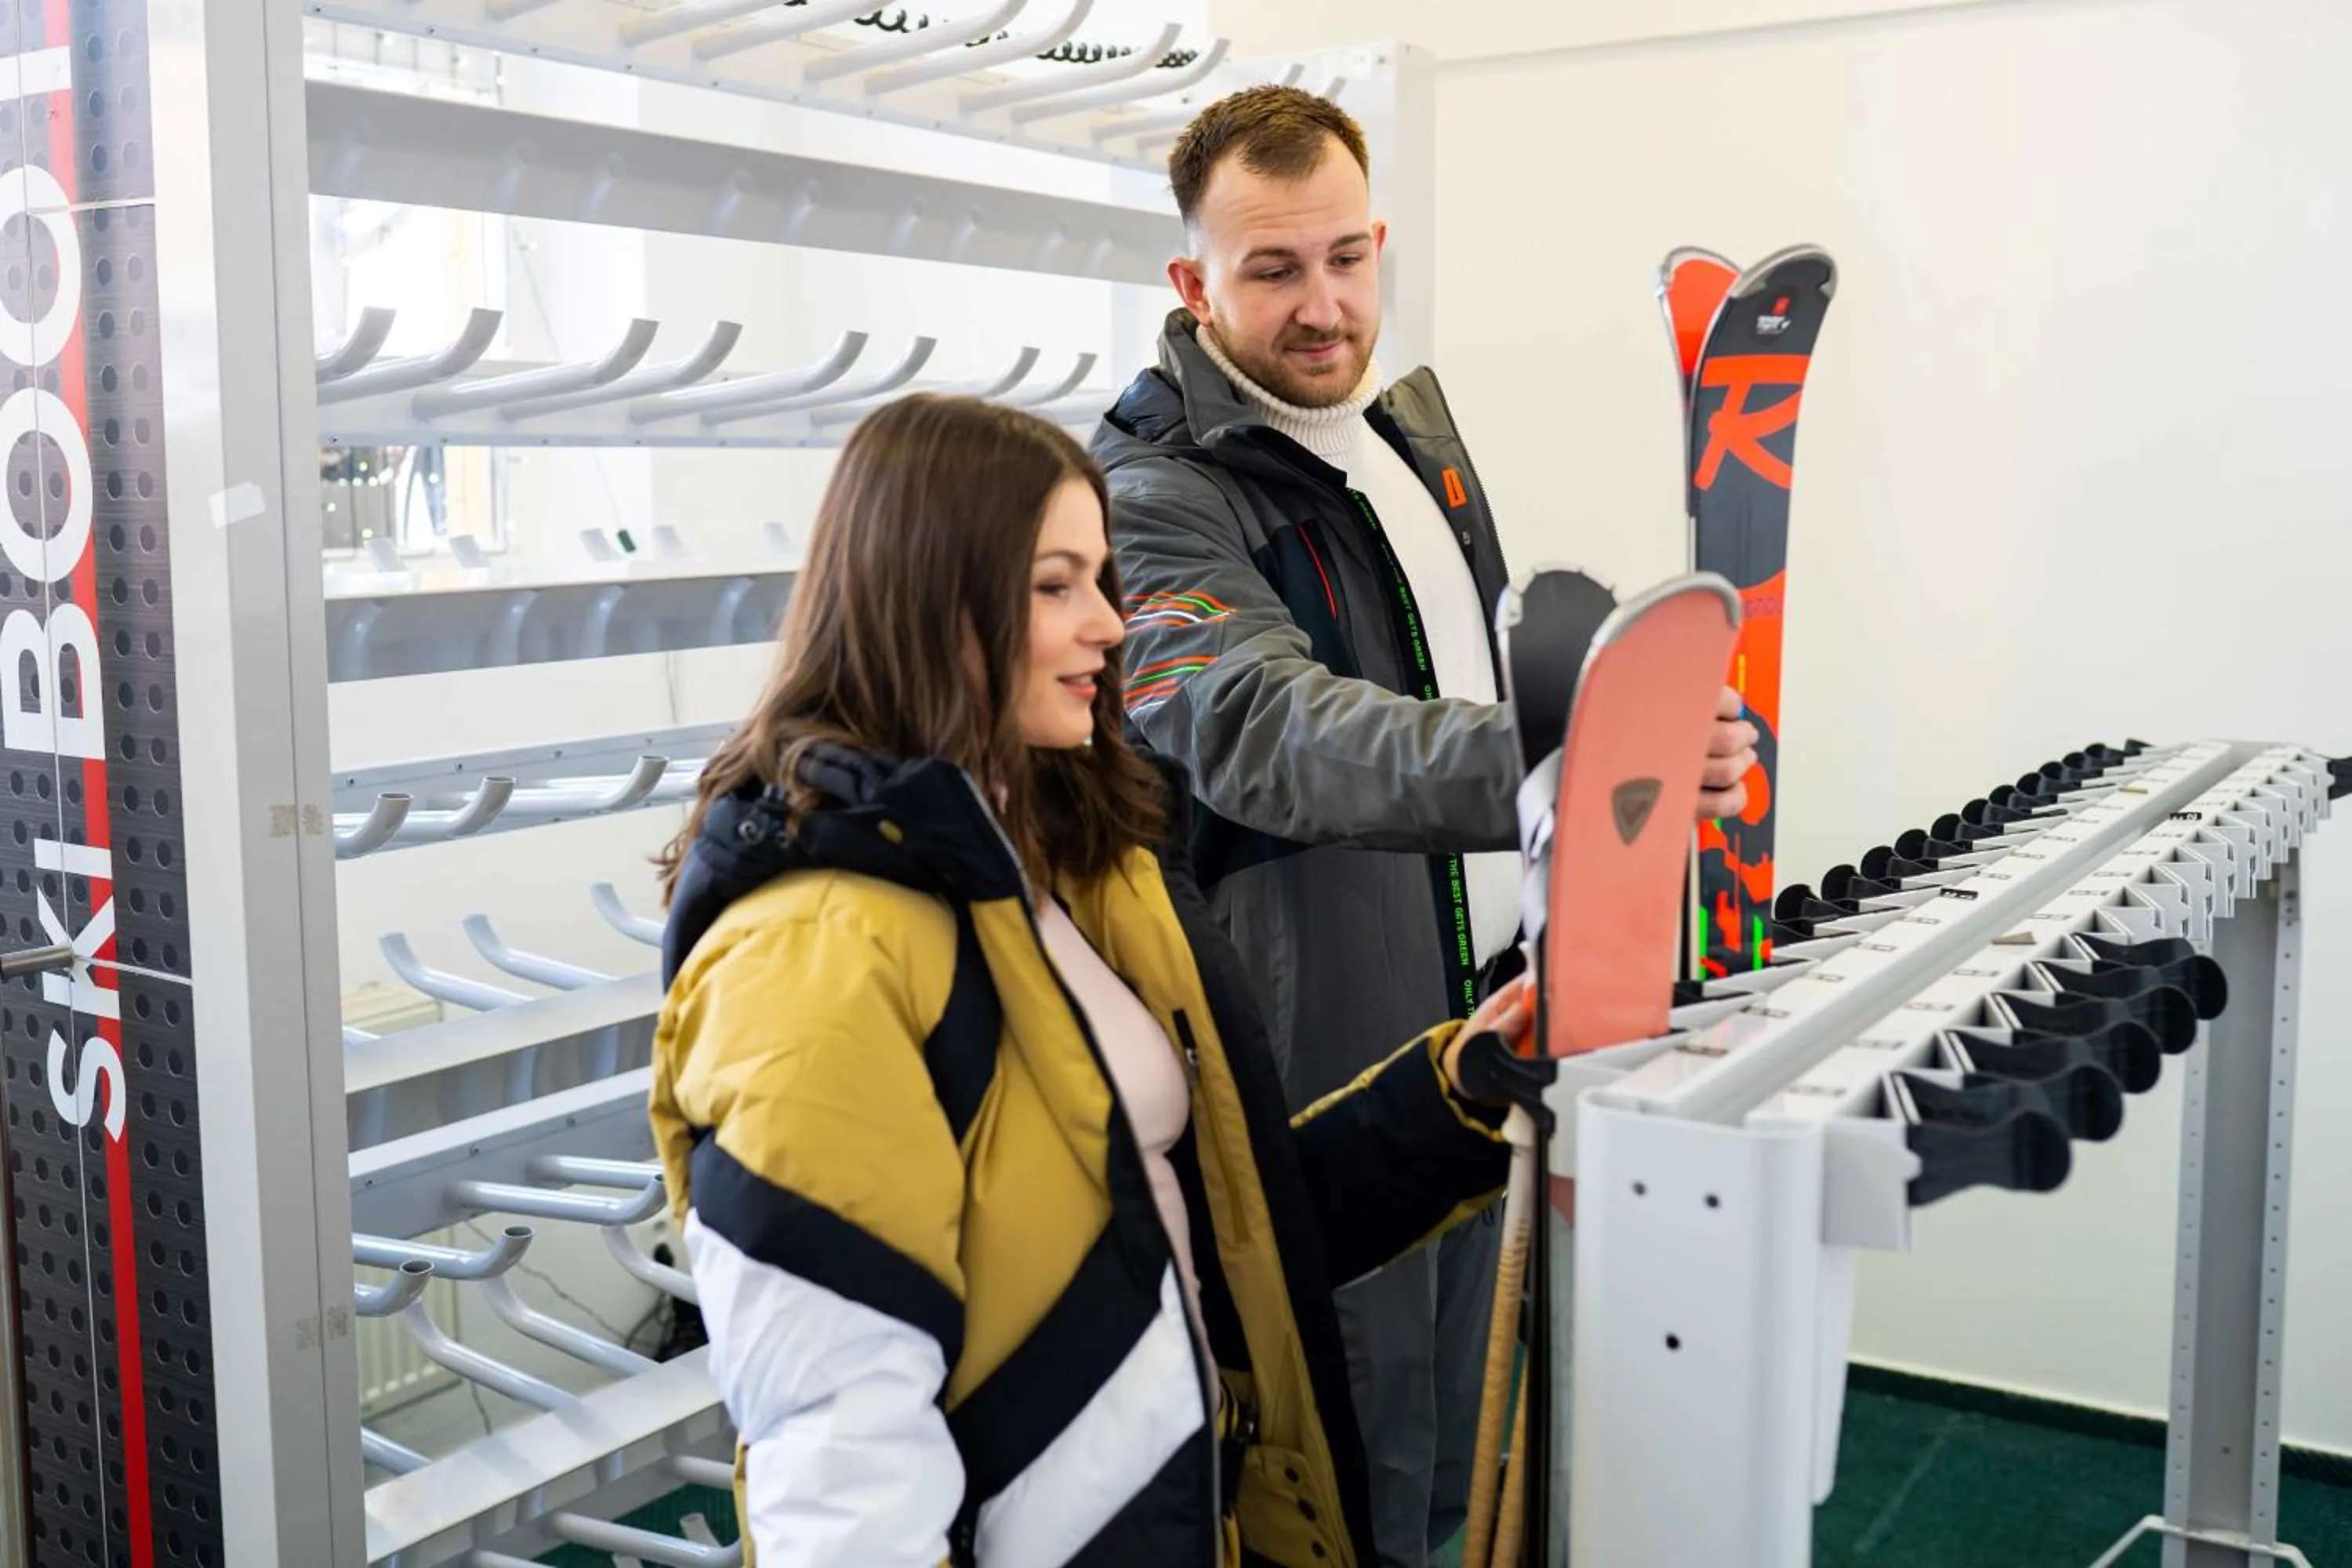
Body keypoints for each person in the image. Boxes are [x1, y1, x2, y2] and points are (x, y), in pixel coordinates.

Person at [648, 393, 1541, 1567]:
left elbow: (1224, 1226)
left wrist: (1460, 1091)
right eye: (1054, 587)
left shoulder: (1076, 866)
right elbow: (840, 1462)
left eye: (1101, 580)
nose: (1112, 625)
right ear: (928, 601)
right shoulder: (810, 958)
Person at [1092, 85, 1759, 1566]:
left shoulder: (1403, 440)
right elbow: (1262, 725)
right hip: (1322, 1031)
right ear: (1193, 281)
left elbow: (1461, 672)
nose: (1322, 306)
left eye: (1346, 258)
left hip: (1482, 1006)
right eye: (1273, 270)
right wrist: (1567, 755)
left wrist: (1601, 739)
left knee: (1470, 1429)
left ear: (1379, 243)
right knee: (1358, 1454)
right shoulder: (1152, 494)